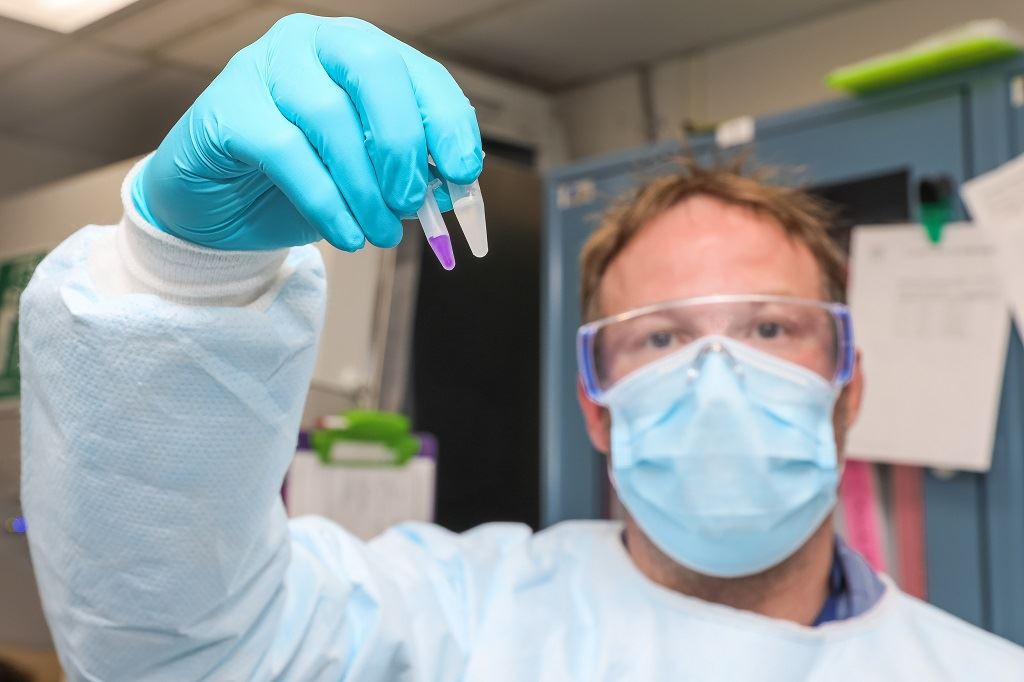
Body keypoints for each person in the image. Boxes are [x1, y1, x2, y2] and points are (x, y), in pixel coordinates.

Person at [19, 14, 1024, 682]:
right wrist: (183, 270)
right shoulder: (457, 622)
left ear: (848, 388)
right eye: (660, 336)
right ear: (596, 402)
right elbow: (177, 646)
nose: (716, 374)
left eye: (768, 328)